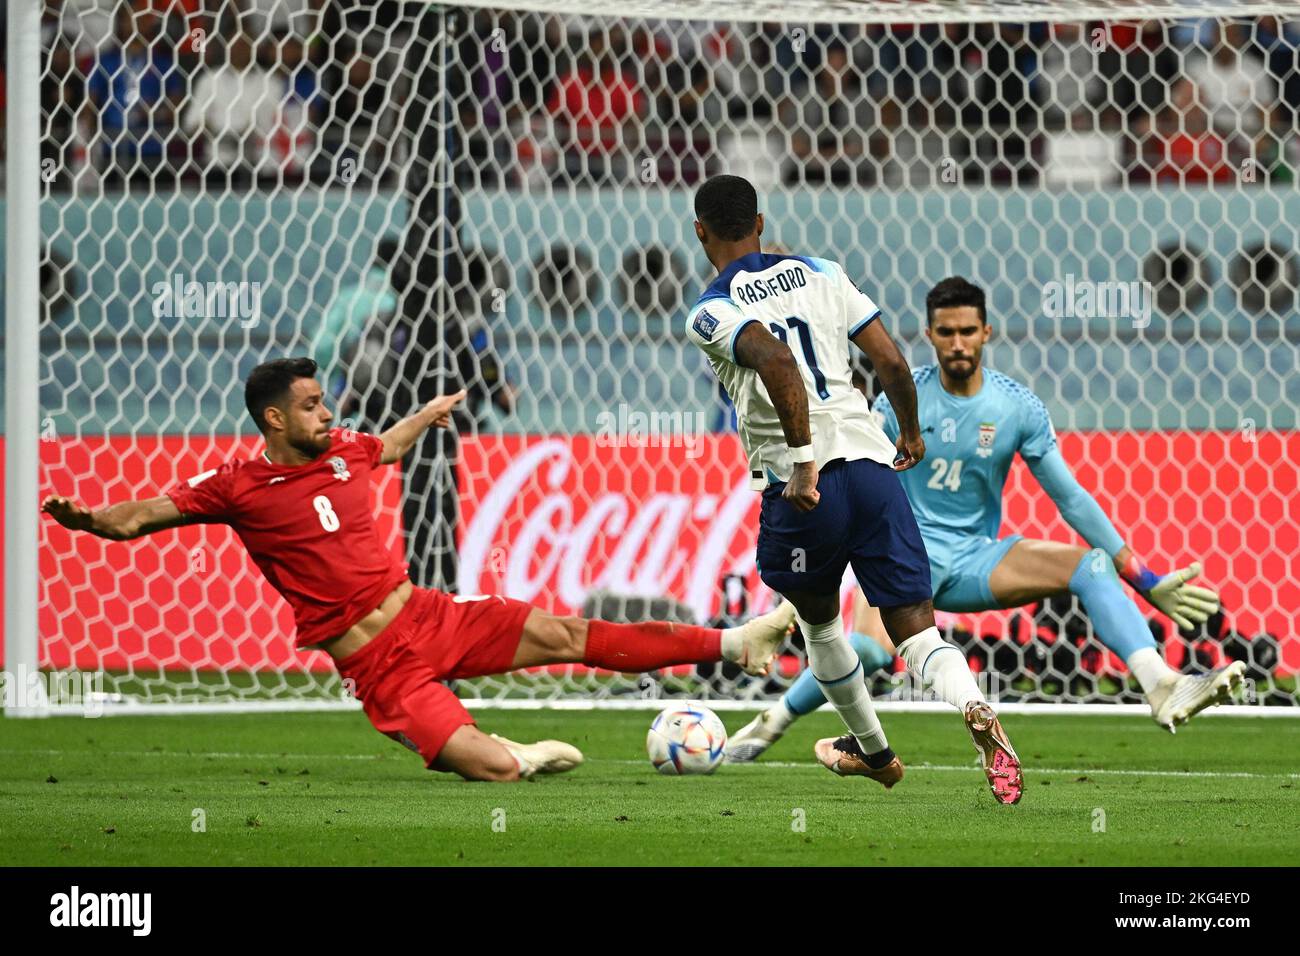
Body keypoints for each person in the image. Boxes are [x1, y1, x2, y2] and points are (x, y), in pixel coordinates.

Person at [41, 357, 794, 782]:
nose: (325, 413)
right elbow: (137, 518)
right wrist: (84, 520)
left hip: (429, 614)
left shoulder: (346, 451)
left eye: (324, 400)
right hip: (375, 664)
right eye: (309, 406)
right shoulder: (236, 488)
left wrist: (426, 414)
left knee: (570, 632)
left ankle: (737, 643)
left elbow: (388, 447)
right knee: (493, 770)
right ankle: (513, 752)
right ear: (273, 420)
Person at [727, 276, 1241, 762]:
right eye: (945, 332)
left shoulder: (1016, 407)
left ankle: (1160, 682)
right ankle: (774, 720)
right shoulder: (898, 401)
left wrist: (1145, 579)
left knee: (1092, 566)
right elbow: (850, 491)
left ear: (986, 333)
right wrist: (795, 601)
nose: (957, 343)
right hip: (904, 551)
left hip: (976, 557)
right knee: (866, 649)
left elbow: (1072, 498)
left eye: (967, 331)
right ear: (928, 335)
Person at [685, 175, 1023, 804]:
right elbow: (892, 362)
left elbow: (778, 362)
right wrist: (913, 433)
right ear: (760, 222)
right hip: (873, 468)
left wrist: (806, 461)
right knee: (917, 631)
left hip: (802, 482)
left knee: (819, 624)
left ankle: (875, 752)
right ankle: (973, 703)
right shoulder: (824, 273)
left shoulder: (710, 310)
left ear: (700, 232)